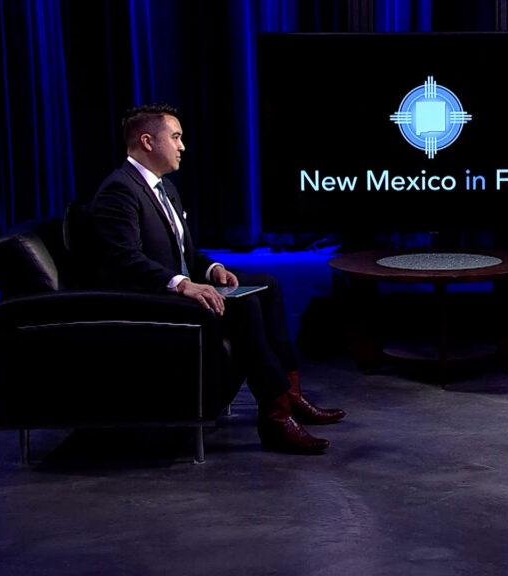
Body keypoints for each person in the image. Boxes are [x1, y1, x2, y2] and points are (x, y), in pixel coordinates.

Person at [88, 103, 344, 454]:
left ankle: (291, 394)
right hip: (149, 302)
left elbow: (184, 253)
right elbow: (124, 259)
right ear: (147, 141)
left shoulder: (164, 188)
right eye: (175, 137)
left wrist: (210, 270)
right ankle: (275, 416)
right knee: (245, 305)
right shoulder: (119, 191)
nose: (182, 146)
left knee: (267, 283)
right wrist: (182, 283)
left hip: (171, 290)